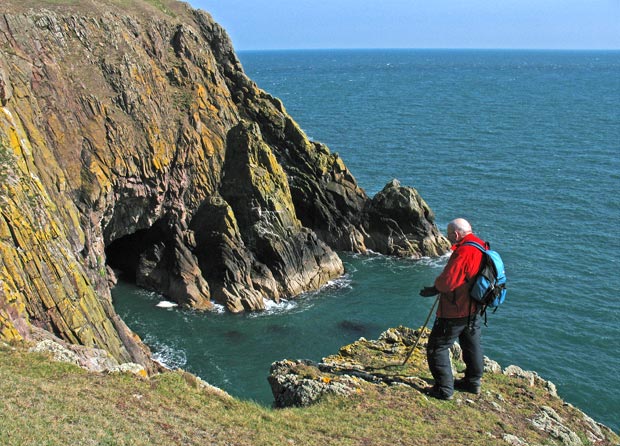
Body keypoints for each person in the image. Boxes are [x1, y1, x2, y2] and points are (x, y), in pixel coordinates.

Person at [419, 218, 486, 400]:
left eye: (449, 235)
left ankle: (444, 389)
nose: (447, 239)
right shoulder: (481, 246)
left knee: (437, 347)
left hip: (455, 309)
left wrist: (435, 287)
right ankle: (473, 382)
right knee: (472, 345)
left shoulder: (464, 252)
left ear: (456, 234)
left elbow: (447, 281)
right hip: (474, 307)